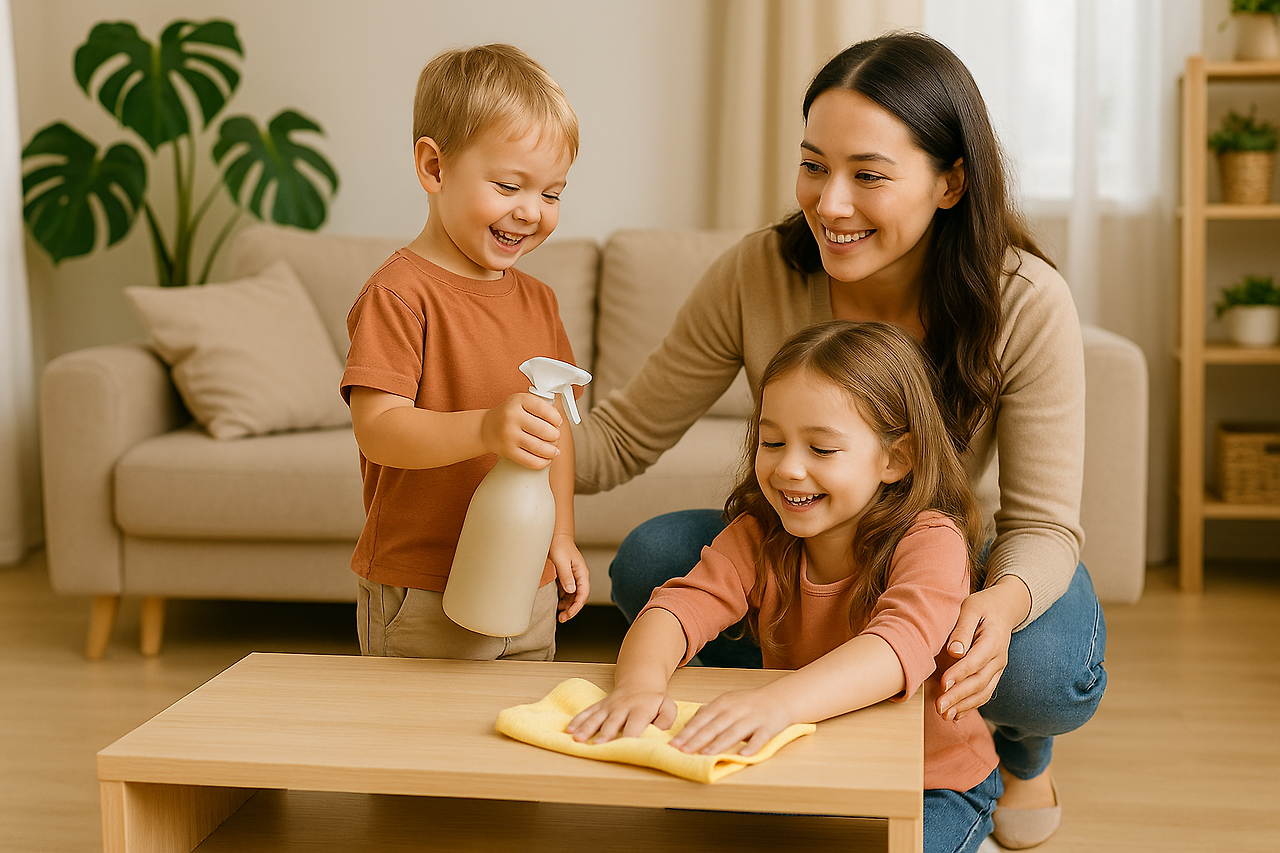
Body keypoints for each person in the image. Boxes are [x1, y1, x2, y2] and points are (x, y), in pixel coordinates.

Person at [574, 32, 1105, 849]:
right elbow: (619, 437)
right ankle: (793, 709)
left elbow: (1042, 524)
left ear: (951, 181)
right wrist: (491, 437)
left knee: (1038, 666)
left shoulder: (1024, 300)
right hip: (813, 539)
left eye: (869, 175)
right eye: (814, 165)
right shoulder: (759, 272)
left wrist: (996, 606)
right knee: (654, 559)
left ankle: (1017, 753)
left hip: (952, 551)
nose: (830, 203)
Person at [569, 321, 1000, 853]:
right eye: (772, 442)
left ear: (896, 459)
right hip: (810, 761)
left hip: (931, 782)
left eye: (822, 449)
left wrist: (775, 704)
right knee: (684, 798)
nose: (789, 468)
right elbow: (678, 607)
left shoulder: (932, 539)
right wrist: (638, 683)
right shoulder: (759, 533)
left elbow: (897, 646)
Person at [341, 43, 589, 662]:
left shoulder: (540, 302)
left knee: (520, 717)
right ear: (434, 167)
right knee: (421, 722)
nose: (530, 212)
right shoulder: (399, 294)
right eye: (508, 185)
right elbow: (379, 429)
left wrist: (560, 534)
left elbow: (553, 434)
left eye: (552, 194)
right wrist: (485, 429)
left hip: (527, 580)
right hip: (424, 586)